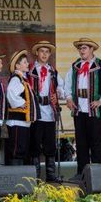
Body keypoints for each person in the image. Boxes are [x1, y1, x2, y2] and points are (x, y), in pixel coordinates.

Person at [64, 37, 101, 181]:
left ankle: (99, 174)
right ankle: (81, 173)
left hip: (94, 110)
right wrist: (69, 98)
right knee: (81, 143)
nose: (81, 51)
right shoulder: (75, 66)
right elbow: (67, 83)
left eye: (84, 48)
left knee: (95, 142)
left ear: (91, 50)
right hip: (79, 109)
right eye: (80, 48)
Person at [29, 40, 64, 181]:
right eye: (42, 51)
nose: (44, 54)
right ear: (37, 53)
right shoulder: (31, 70)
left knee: (50, 144)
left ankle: (51, 175)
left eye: (47, 52)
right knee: (35, 144)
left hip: (49, 111)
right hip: (36, 111)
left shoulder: (53, 71)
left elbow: (61, 86)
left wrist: (59, 93)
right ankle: (35, 176)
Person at [5, 49, 39, 166]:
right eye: (24, 62)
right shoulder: (16, 78)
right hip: (17, 120)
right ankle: (16, 173)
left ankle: (19, 173)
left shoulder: (22, 79)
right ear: (17, 65)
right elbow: (10, 93)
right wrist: (20, 103)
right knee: (17, 148)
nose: (27, 64)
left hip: (22, 121)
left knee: (21, 148)